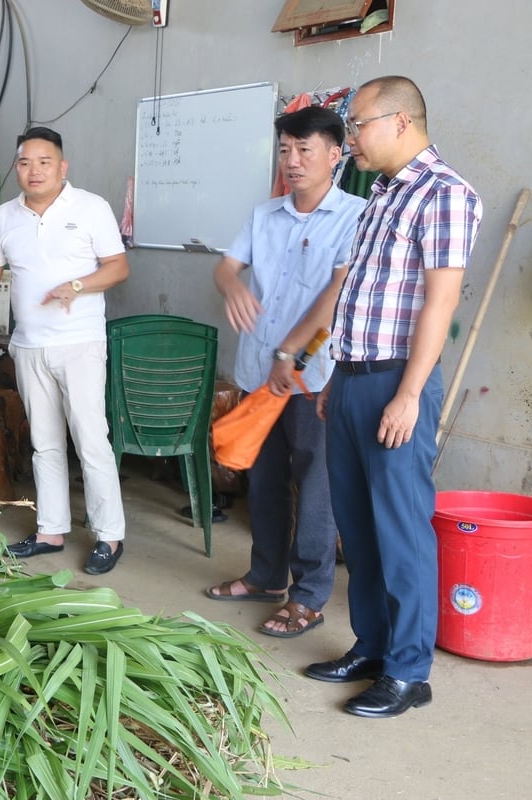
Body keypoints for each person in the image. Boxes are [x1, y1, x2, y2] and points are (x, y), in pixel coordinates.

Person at [306, 76, 482, 718]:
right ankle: (373, 646)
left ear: (400, 121)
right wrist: (334, 374)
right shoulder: (380, 193)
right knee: (357, 524)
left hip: (397, 381)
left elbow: (440, 302)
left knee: (401, 526)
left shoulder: (445, 195)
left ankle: (410, 671)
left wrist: (408, 395)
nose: (350, 139)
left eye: (357, 125)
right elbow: (361, 294)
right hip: (353, 377)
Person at [204, 107, 366, 639]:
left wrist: (291, 355)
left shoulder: (355, 217)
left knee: (315, 486)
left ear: (335, 156)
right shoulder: (265, 214)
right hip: (259, 369)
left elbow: (337, 295)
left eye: (305, 150)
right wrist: (232, 285)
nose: (292, 162)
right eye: (284, 151)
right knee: (265, 479)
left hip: (312, 377)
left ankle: (310, 594)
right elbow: (227, 266)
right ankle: (266, 575)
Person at [0, 126, 129, 575]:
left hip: (79, 344)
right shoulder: (5, 216)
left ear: (62, 167)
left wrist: (77, 285)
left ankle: (109, 536)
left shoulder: (91, 207)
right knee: (45, 443)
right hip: (29, 346)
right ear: (17, 167)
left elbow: (118, 268)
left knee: (91, 439)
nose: (33, 171)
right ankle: (50, 531)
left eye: (43, 162)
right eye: (24, 162)